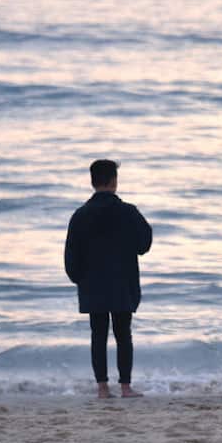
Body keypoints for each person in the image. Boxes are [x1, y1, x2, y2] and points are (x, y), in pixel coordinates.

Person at [64, 159, 152, 399]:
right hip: (123, 282)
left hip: (92, 284)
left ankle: (102, 389)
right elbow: (145, 243)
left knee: (98, 335)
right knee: (124, 334)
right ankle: (125, 387)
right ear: (114, 181)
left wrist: (78, 278)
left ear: (92, 182)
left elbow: (71, 254)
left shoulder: (80, 215)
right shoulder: (128, 212)